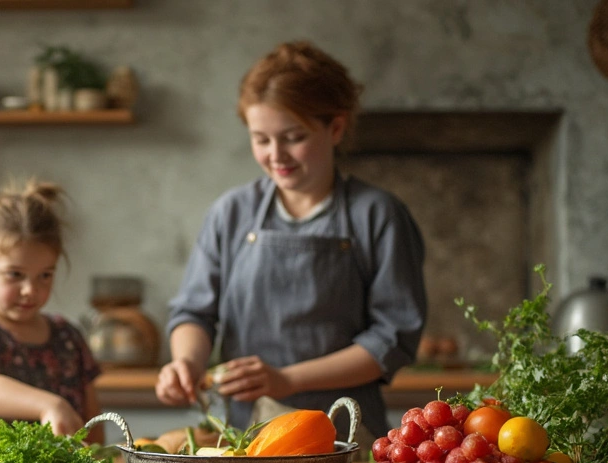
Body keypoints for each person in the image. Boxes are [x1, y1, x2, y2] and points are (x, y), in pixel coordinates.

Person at [155, 40, 427, 438]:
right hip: (244, 434)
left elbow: (392, 339)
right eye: (260, 139)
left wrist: (288, 379)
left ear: (335, 127)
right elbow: (194, 313)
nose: (275, 155)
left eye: (293, 136)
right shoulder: (231, 213)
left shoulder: (378, 214)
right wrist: (186, 363)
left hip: (344, 434)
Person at [0, 179, 103, 463]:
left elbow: (92, 422)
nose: (31, 289)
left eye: (45, 275)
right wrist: (49, 404)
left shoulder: (68, 336)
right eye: (15, 275)